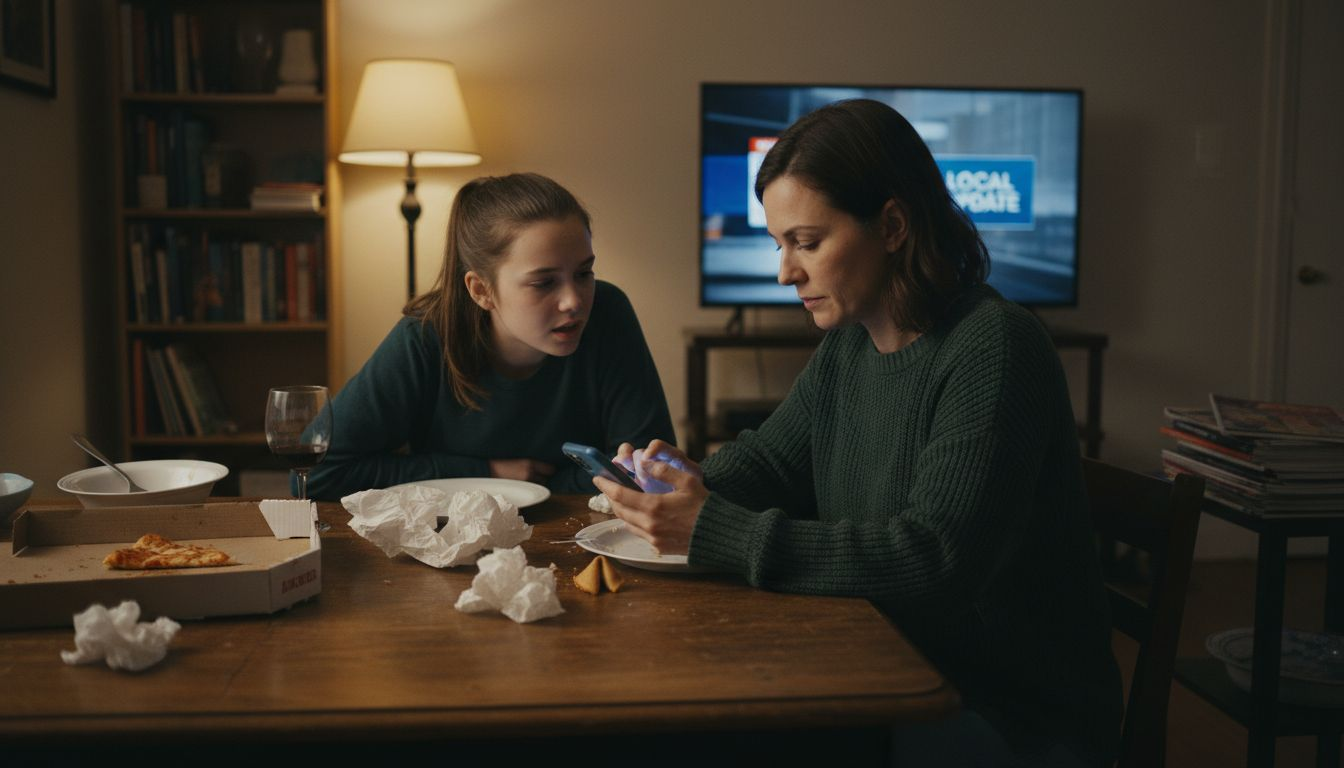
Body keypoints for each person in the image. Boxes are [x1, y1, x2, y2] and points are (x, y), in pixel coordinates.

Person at [594, 100, 1122, 766]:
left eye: (806, 243)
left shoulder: (996, 347)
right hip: (892, 659)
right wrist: (669, 485)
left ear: (894, 224)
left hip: (1006, 713)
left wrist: (711, 529)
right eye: (779, 244)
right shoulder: (850, 346)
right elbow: (770, 465)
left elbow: (936, 559)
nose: (786, 272)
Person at [306, 172, 674, 501]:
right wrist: (487, 474)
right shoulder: (423, 339)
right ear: (481, 290)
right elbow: (316, 473)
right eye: (543, 282)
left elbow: (649, 470)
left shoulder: (608, 312)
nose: (574, 302)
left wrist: (535, 487)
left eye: (584, 273)